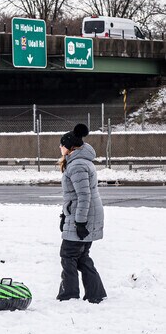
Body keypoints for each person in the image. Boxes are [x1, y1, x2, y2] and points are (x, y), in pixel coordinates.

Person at [57, 124, 107, 303]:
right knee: (81, 256)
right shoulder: (79, 162)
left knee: (68, 255)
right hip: (85, 214)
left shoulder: (77, 165)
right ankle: (96, 294)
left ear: (70, 147)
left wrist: (79, 222)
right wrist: (66, 215)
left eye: (61, 145)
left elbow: (83, 196)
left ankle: (69, 295)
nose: (60, 148)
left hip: (84, 216)